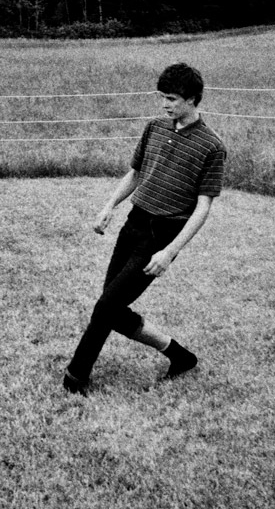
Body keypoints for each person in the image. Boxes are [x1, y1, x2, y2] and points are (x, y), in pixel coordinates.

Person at [63, 61, 225, 396]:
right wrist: (109, 207)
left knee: (106, 308)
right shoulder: (154, 128)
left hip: (161, 236)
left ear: (193, 99)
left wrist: (170, 252)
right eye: (163, 97)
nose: (165, 104)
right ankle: (180, 356)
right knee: (111, 309)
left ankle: (75, 378)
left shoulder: (212, 147)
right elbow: (135, 174)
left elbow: (203, 207)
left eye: (173, 99)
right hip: (133, 225)